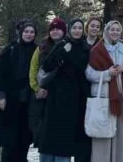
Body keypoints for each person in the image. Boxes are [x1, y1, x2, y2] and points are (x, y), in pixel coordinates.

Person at [38, 19, 92, 162]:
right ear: (69, 29)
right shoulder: (62, 44)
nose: (77, 30)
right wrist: (62, 52)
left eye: (80, 28)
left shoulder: (85, 47)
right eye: (74, 27)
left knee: (68, 136)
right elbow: (47, 65)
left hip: (76, 97)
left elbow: (84, 69)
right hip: (57, 96)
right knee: (52, 133)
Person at [86, 20, 123, 162]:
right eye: (112, 29)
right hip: (104, 97)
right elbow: (89, 74)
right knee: (102, 133)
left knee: (120, 135)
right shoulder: (97, 50)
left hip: (121, 97)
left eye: (118, 30)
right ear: (107, 31)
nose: (115, 32)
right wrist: (107, 73)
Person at [0, 20, 38, 162]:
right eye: (26, 31)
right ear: (21, 32)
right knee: (9, 142)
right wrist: (0, 96)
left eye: (32, 32)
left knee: (24, 141)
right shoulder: (10, 49)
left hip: (29, 101)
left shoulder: (38, 50)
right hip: (10, 101)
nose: (29, 34)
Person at [29, 18, 67, 149]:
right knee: (42, 131)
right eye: (53, 29)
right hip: (43, 94)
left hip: (61, 94)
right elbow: (33, 69)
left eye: (58, 29)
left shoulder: (69, 45)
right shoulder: (42, 47)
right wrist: (36, 88)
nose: (55, 31)